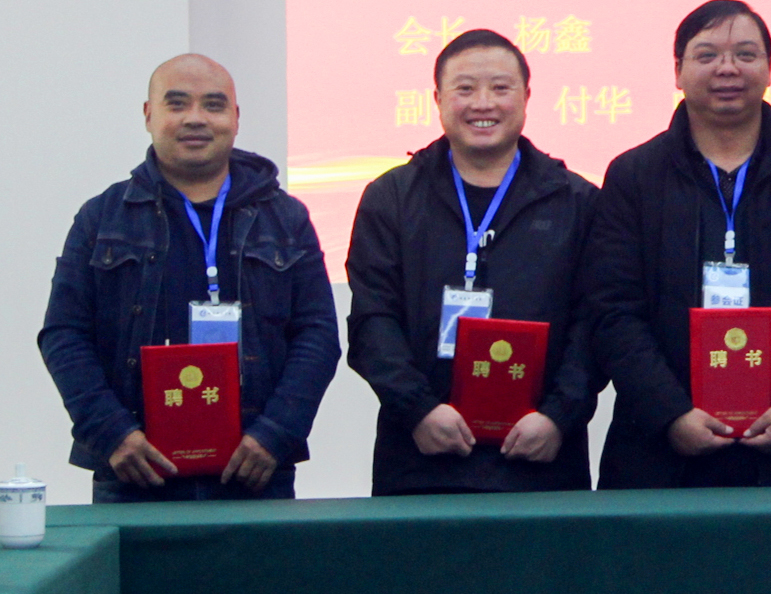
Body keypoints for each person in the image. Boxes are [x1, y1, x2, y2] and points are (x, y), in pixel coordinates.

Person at [40, 55, 341, 502]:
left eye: (213, 105)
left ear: (236, 118)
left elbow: (317, 335)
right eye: (177, 104)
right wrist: (111, 433)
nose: (195, 118)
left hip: (255, 471)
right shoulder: (102, 218)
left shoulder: (285, 218)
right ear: (149, 115)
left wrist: (275, 434)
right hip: (134, 472)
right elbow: (64, 334)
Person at [583, 0, 771, 488]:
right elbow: (613, 310)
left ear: (769, 69)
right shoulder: (633, 175)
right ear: (678, 71)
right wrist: (669, 413)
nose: (727, 68)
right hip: (656, 457)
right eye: (707, 55)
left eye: (745, 55)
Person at [345, 29, 601, 495]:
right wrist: (419, 410)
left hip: (542, 457)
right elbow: (372, 320)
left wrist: (558, 417)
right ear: (438, 99)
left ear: (526, 97)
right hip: (420, 456)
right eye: (465, 89)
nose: (483, 103)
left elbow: (595, 324)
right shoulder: (392, 198)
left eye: (500, 88)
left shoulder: (576, 201)